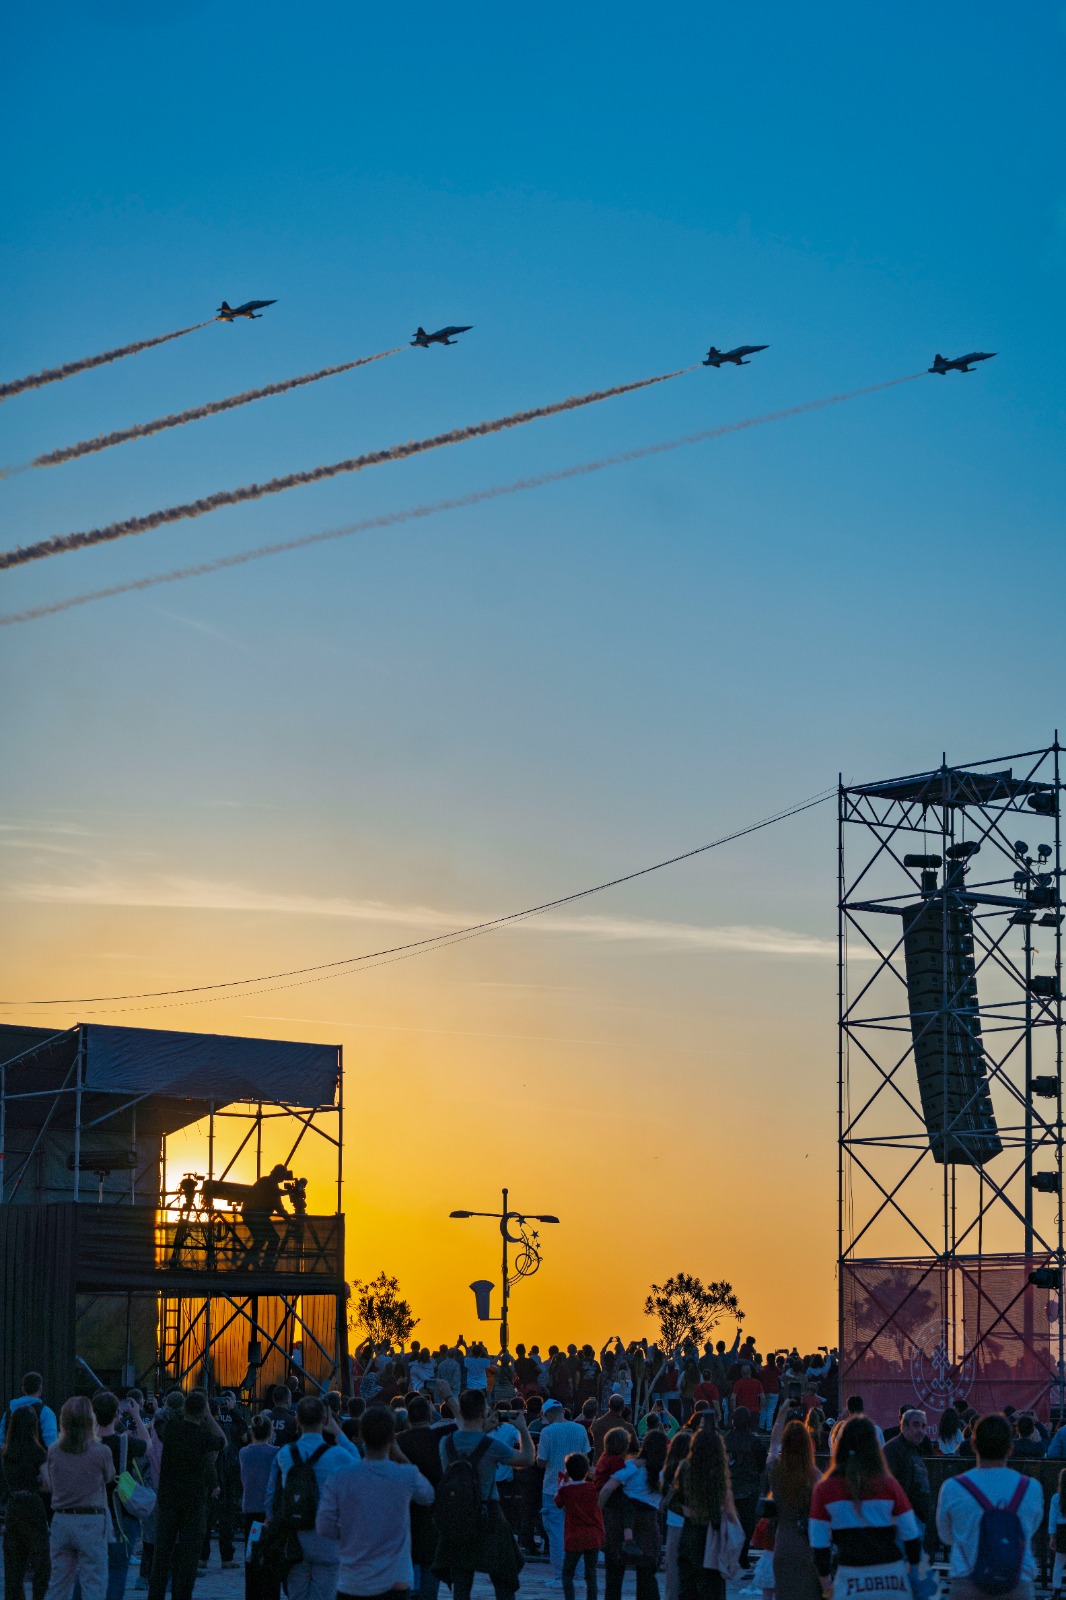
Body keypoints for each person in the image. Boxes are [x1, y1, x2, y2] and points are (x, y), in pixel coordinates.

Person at [316, 1403, 434, 1600]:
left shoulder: (341, 1477)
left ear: (361, 1436)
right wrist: (400, 1456)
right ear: (392, 1437)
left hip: (354, 1580)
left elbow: (325, 1527)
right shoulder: (406, 1475)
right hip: (395, 1580)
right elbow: (428, 1495)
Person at [433, 1387, 532, 1600]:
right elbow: (526, 1460)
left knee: (461, 1581)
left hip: (457, 1514)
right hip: (489, 1513)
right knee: (504, 1578)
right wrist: (522, 1429)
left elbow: (467, 1443)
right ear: (482, 1412)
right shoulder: (492, 1446)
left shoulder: (446, 1443)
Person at [809, 1417, 921, 1600]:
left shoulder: (825, 1490)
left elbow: (819, 1544)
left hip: (850, 1578)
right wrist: (911, 1569)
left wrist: (826, 1585)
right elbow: (911, 1535)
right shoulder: (889, 1485)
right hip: (891, 1578)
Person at [935, 1412, 1044, 1600]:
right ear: (1010, 1448)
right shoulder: (1031, 1488)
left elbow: (945, 1535)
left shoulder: (953, 1487)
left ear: (973, 1444)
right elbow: (1030, 1529)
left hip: (967, 1583)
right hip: (1017, 1583)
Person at [262, 1394, 359, 1600]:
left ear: (297, 1420)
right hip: (327, 1533)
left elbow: (272, 1491)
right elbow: (358, 1462)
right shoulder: (337, 1455)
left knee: (296, 1592)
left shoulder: (284, 1453)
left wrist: (270, 1518)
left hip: (294, 1531)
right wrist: (338, 1432)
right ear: (324, 1420)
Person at [147, 1389, 225, 1600]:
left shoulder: (171, 1429)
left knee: (162, 1555)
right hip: (193, 1502)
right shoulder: (203, 1436)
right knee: (188, 1557)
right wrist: (208, 1416)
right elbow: (222, 1440)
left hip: (168, 1499)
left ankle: (155, 1595)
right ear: (202, 1412)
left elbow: (159, 1420)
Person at [42, 1396, 114, 1600]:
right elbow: (109, 1477)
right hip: (90, 1519)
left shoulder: (54, 1451)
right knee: (94, 1583)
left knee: (58, 1584)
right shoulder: (101, 1452)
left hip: (62, 1519)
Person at [92, 1391, 150, 1600]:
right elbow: (148, 1446)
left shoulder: (87, 1444)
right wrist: (136, 1415)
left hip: (93, 1514)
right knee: (118, 1572)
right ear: (117, 1415)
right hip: (121, 1515)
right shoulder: (124, 1443)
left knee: (91, 1572)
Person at [598, 1430, 667, 1600]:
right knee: (646, 1577)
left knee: (614, 1575)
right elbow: (663, 1502)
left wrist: (599, 1511)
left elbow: (608, 1488)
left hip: (619, 1520)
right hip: (648, 1521)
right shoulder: (662, 1472)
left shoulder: (633, 1466)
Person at [669, 1426, 735, 1600]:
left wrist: (685, 1510)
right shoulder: (718, 1470)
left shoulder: (685, 1467)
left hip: (690, 1528)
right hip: (712, 1531)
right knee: (713, 1586)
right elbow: (718, 1502)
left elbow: (670, 1499)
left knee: (687, 1585)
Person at [538, 1398, 592, 1577]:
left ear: (547, 1414)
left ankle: (560, 1574)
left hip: (553, 1488)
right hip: (577, 1486)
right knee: (577, 1530)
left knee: (556, 1533)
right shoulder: (580, 1429)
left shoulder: (547, 1432)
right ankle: (579, 1572)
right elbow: (585, 1456)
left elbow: (542, 1461)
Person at [767, 1417, 820, 1600]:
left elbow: (773, 1445)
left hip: (783, 1543)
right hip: (808, 1544)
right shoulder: (814, 1476)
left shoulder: (776, 1470)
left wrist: (781, 1413)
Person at [3, 1402, 51, 1600]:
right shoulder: (39, 1453)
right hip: (33, 1504)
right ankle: (38, 1596)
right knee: (41, 1559)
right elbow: (48, 1485)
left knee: (14, 1562)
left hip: (13, 1506)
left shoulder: (7, 1454)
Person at [555, 1451, 603, 1600]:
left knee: (567, 1573)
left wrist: (564, 1480)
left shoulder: (566, 1490)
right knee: (591, 1574)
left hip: (574, 1537)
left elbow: (558, 1503)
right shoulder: (593, 1488)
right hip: (593, 1536)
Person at [724, 1407, 766, 1568]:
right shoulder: (754, 1441)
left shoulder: (726, 1439)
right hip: (748, 1487)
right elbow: (761, 1463)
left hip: (731, 1486)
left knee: (731, 1524)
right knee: (746, 1525)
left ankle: (733, 1556)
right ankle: (742, 1556)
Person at [884, 1410, 932, 1532]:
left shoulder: (912, 1449)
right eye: (915, 1425)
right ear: (904, 1426)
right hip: (903, 1520)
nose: (920, 1430)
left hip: (913, 1518)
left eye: (923, 1426)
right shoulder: (894, 1450)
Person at [661, 1430, 693, 1600]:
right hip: (693, 1526)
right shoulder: (693, 1470)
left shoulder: (666, 1472)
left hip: (674, 1524)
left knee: (672, 1572)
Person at [240, 1164, 292, 1268]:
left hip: (255, 1215)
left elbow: (279, 1207)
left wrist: (289, 1219)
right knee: (273, 1239)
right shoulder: (266, 1182)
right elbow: (278, 1203)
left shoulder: (268, 1184)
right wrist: (290, 1220)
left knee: (261, 1240)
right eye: (283, 1174)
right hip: (255, 1215)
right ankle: (265, 1265)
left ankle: (247, 1265)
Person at [2, 1374, 58, 1450]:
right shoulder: (46, 1412)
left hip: (12, 1460)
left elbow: (1, 1440)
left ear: (23, 1389)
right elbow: (51, 1442)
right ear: (40, 1389)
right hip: (38, 1460)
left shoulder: (9, 1411)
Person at [591, 1396, 637, 1463]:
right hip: (618, 1467)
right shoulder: (628, 1427)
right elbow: (636, 1448)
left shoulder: (596, 1424)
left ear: (608, 1405)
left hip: (599, 1466)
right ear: (623, 1408)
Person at [1049, 1466, 1066, 1596]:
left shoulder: (1056, 1498)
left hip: (1062, 1530)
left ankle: (1056, 1589)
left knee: (1058, 1562)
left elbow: (1052, 1518)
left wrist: (1052, 1536)